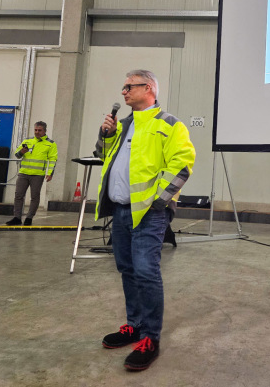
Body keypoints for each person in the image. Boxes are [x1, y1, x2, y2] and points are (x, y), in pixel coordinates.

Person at [95, 69, 195, 372]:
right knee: (126, 269)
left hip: (149, 214)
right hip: (121, 210)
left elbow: (183, 165)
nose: (124, 91)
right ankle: (134, 326)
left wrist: (159, 203)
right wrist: (106, 135)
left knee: (146, 272)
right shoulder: (123, 125)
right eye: (123, 86)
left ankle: (150, 337)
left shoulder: (169, 125)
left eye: (129, 86)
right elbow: (101, 156)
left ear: (148, 88)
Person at [6, 121, 57, 226]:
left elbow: (53, 159)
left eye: (39, 130)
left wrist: (50, 173)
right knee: (18, 195)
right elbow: (17, 155)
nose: (37, 132)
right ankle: (17, 218)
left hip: (38, 175)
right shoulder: (27, 141)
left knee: (34, 197)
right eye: (35, 130)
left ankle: (29, 218)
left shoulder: (50, 144)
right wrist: (22, 152)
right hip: (23, 173)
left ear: (45, 131)